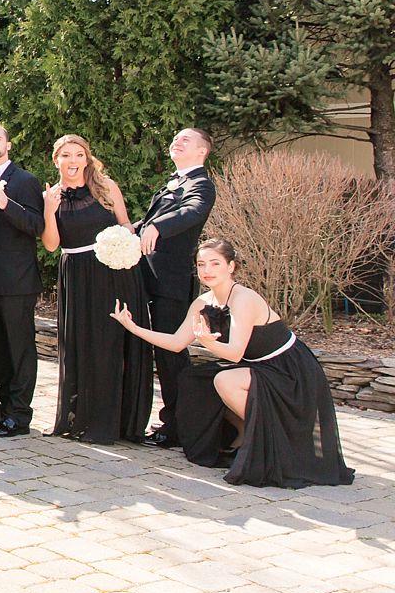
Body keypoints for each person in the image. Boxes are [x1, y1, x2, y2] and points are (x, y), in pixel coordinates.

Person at [112, 239, 353, 488]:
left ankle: (276, 440)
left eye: (215, 263)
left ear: (231, 266)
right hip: (260, 367)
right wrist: (133, 327)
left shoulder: (243, 298)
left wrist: (207, 341)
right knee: (195, 379)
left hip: (290, 372)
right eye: (201, 264)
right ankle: (239, 435)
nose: (207, 270)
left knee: (224, 379)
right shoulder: (202, 303)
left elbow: (235, 354)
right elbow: (176, 343)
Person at [42, 134, 152, 445]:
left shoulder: (106, 188)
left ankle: (119, 422)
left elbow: (126, 226)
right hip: (77, 276)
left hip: (115, 274)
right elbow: (51, 246)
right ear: (57, 161)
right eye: (66, 155)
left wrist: (127, 246)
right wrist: (49, 211)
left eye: (78, 155)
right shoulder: (51, 196)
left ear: (87, 159)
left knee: (112, 344)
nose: (72, 161)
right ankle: (85, 417)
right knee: (84, 344)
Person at [134, 128, 217, 449]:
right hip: (147, 275)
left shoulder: (201, 185)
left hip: (171, 281)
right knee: (150, 348)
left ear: (202, 152)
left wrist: (157, 226)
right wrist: (133, 228)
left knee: (171, 353)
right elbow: (151, 220)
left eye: (186, 140)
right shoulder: (175, 181)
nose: (176, 142)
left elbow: (190, 212)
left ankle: (179, 425)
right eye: (175, 138)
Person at [0, 124, 45, 439]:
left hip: (18, 282)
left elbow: (36, 225)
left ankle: (19, 415)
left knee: (20, 351)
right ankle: (0, 410)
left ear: (9, 145)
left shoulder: (25, 181)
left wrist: (5, 202)